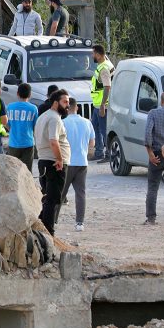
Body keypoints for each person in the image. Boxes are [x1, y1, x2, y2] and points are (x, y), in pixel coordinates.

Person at [34, 89, 71, 235]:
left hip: (44, 161)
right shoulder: (54, 118)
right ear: (56, 103)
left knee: (48, 198)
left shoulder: (43, 116)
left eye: (68, 102)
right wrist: (60, 159)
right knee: (53, 199)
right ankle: (48, 232)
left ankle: (39, 228)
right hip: (53, 162)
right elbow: (53, 141)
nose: (67, 105)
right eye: (65, 102)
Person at [58, 97, 95, 232]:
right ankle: (80, 223)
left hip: (67, 162)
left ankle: (54, 219)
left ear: (67, 108)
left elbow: (57, 142)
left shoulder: (62, 123)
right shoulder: (87, 122)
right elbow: (92, 143)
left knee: (61, 192)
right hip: (82, 162)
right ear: (77, 107)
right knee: (81, 193)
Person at [144, 91, 164, 226]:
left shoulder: (153, 113)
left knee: (153, 187)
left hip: (157, 155)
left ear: (161, 101)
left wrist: (150, 153)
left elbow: (148, 133)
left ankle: (151, 218)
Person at [90, 44, 114, 162]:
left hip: (102, 105)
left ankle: (109, 154)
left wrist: (103, 105)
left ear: (98, 55)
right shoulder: (106, 64)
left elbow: (107, 87)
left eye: (93, 53)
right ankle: (99, 152)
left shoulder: (103, 68)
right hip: (97, 105)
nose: (92, 55)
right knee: (95, 127)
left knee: (104, 130)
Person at [6, 83, 38, 170]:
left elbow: (5, 122)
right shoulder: (33, 108)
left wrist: (11, 129)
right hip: (28, 143)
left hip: (13, 143)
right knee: (27, 171)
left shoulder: (10, 107)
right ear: (30, 94)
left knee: (12, 170)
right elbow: (35, 126)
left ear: (17, 93)